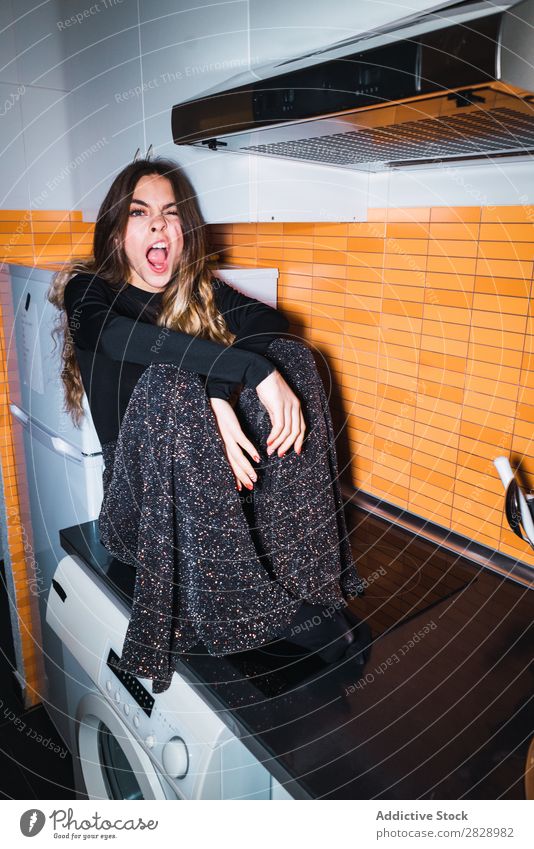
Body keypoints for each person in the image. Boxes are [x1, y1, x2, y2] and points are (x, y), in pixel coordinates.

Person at [49, 156, 366, 693]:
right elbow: (124, 341)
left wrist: (221, 391)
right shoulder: (90, 293)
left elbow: (271, 323)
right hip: (139, 514)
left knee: (292, 356)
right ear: (115, 232)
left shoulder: (198, 291)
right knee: (172, 383)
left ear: (183, 229)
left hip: (213, 504)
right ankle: (241, 611)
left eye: (171, 213)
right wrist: (236, 371)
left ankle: (304, 569)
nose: (158, 224)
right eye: (139, 212)